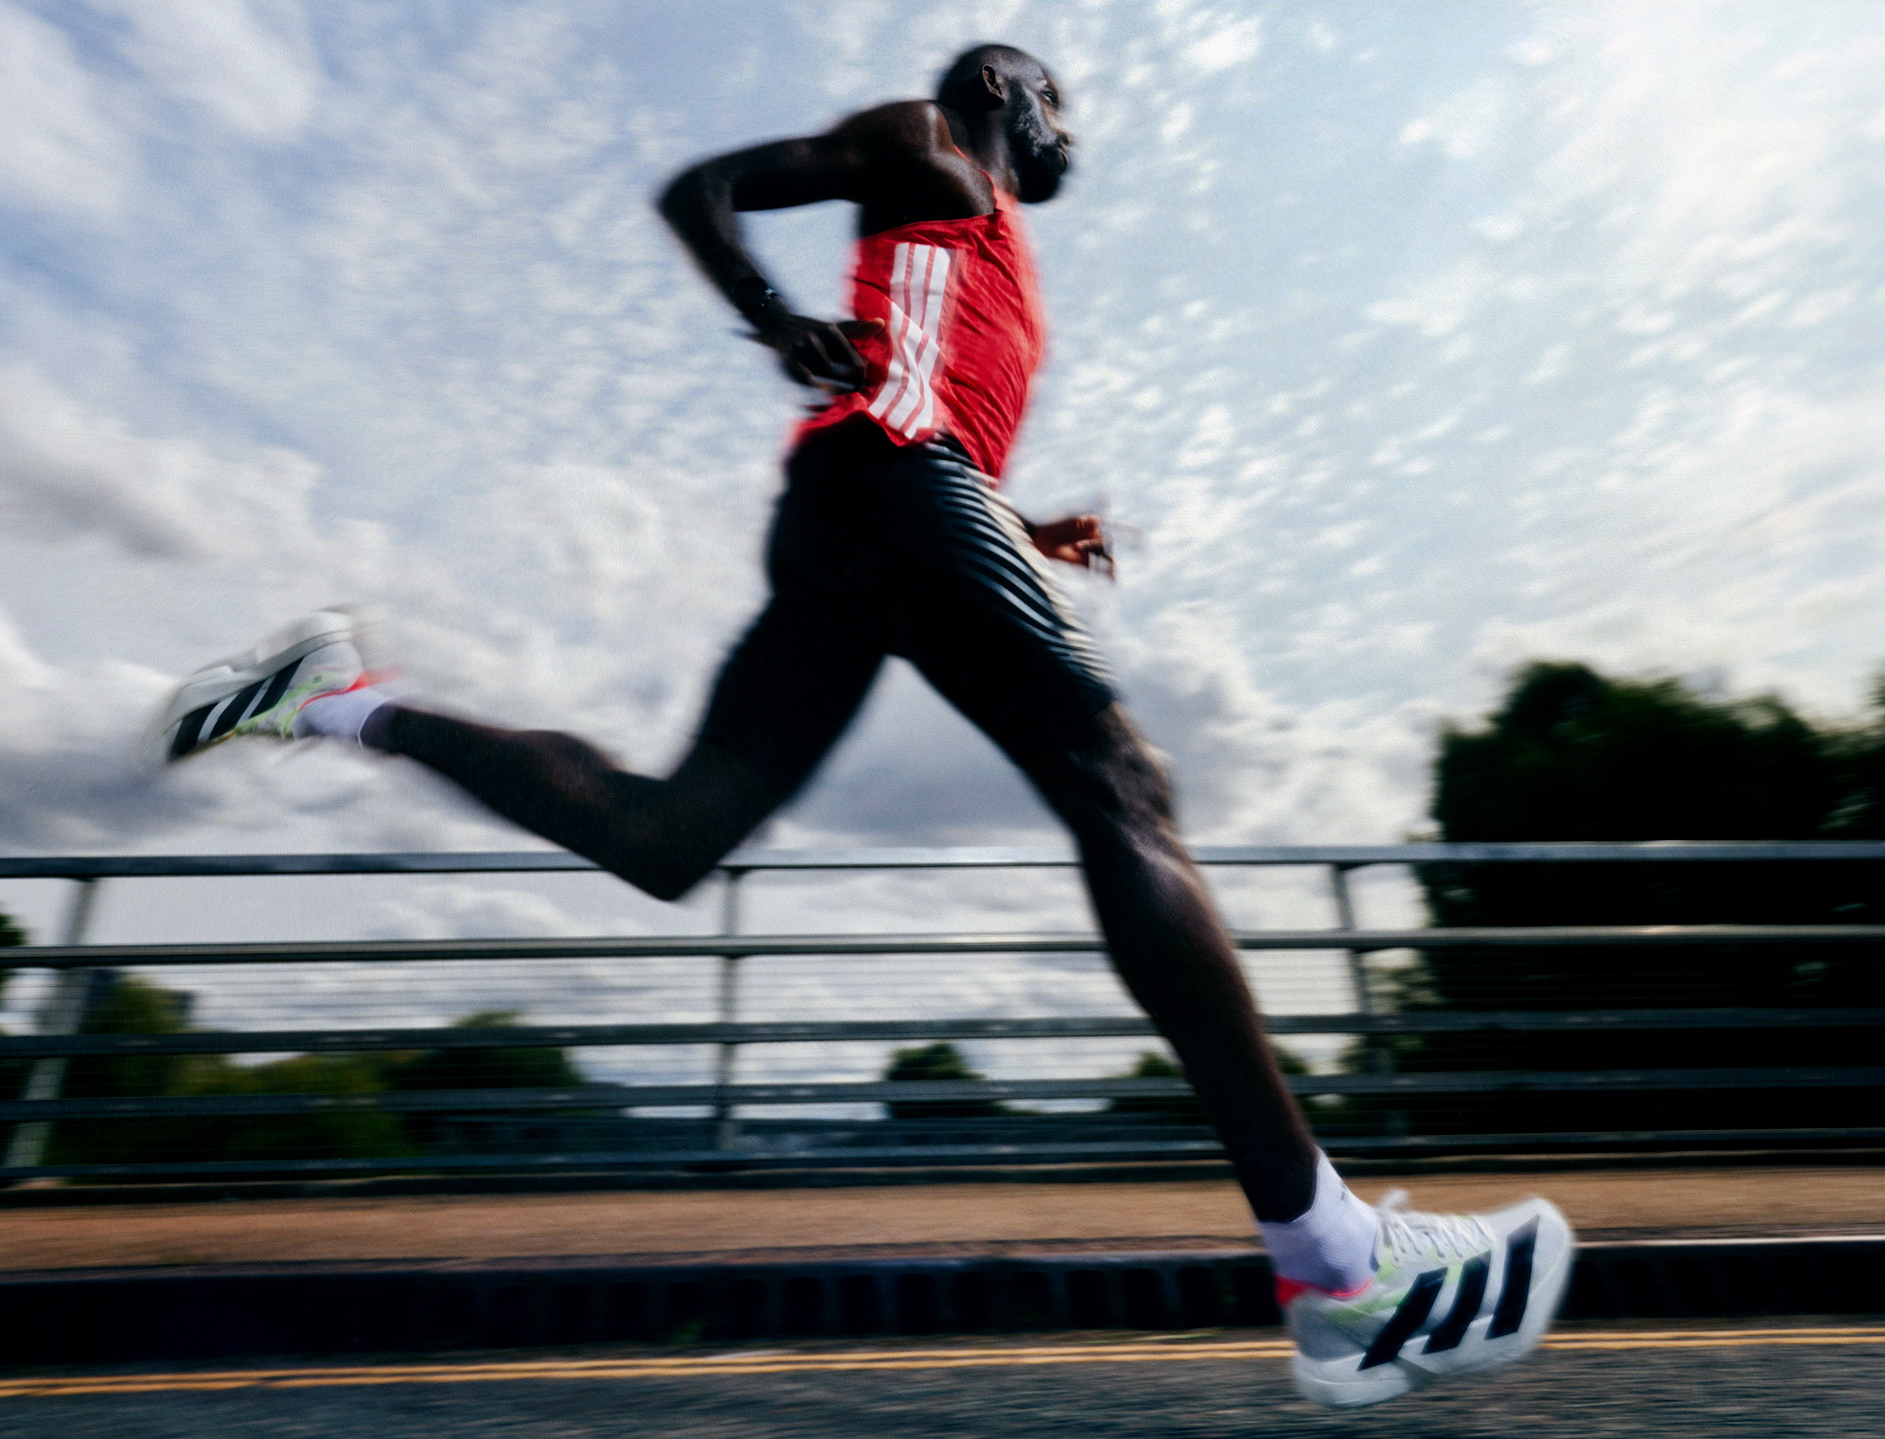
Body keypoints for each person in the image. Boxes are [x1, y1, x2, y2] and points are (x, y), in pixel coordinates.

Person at [151, 44, 1570, 1407]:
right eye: (1059, 101)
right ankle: (1338, 1268)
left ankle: (340, 698)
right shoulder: (931, 143)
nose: (1069, 131)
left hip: (873, 510)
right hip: (889, 485)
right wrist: (778, 324)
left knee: (666, 836)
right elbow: (697, 191)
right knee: (1123, 793)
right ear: (1011, 91)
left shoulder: (988, 238)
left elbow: (922, 395)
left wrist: (1027, 528)